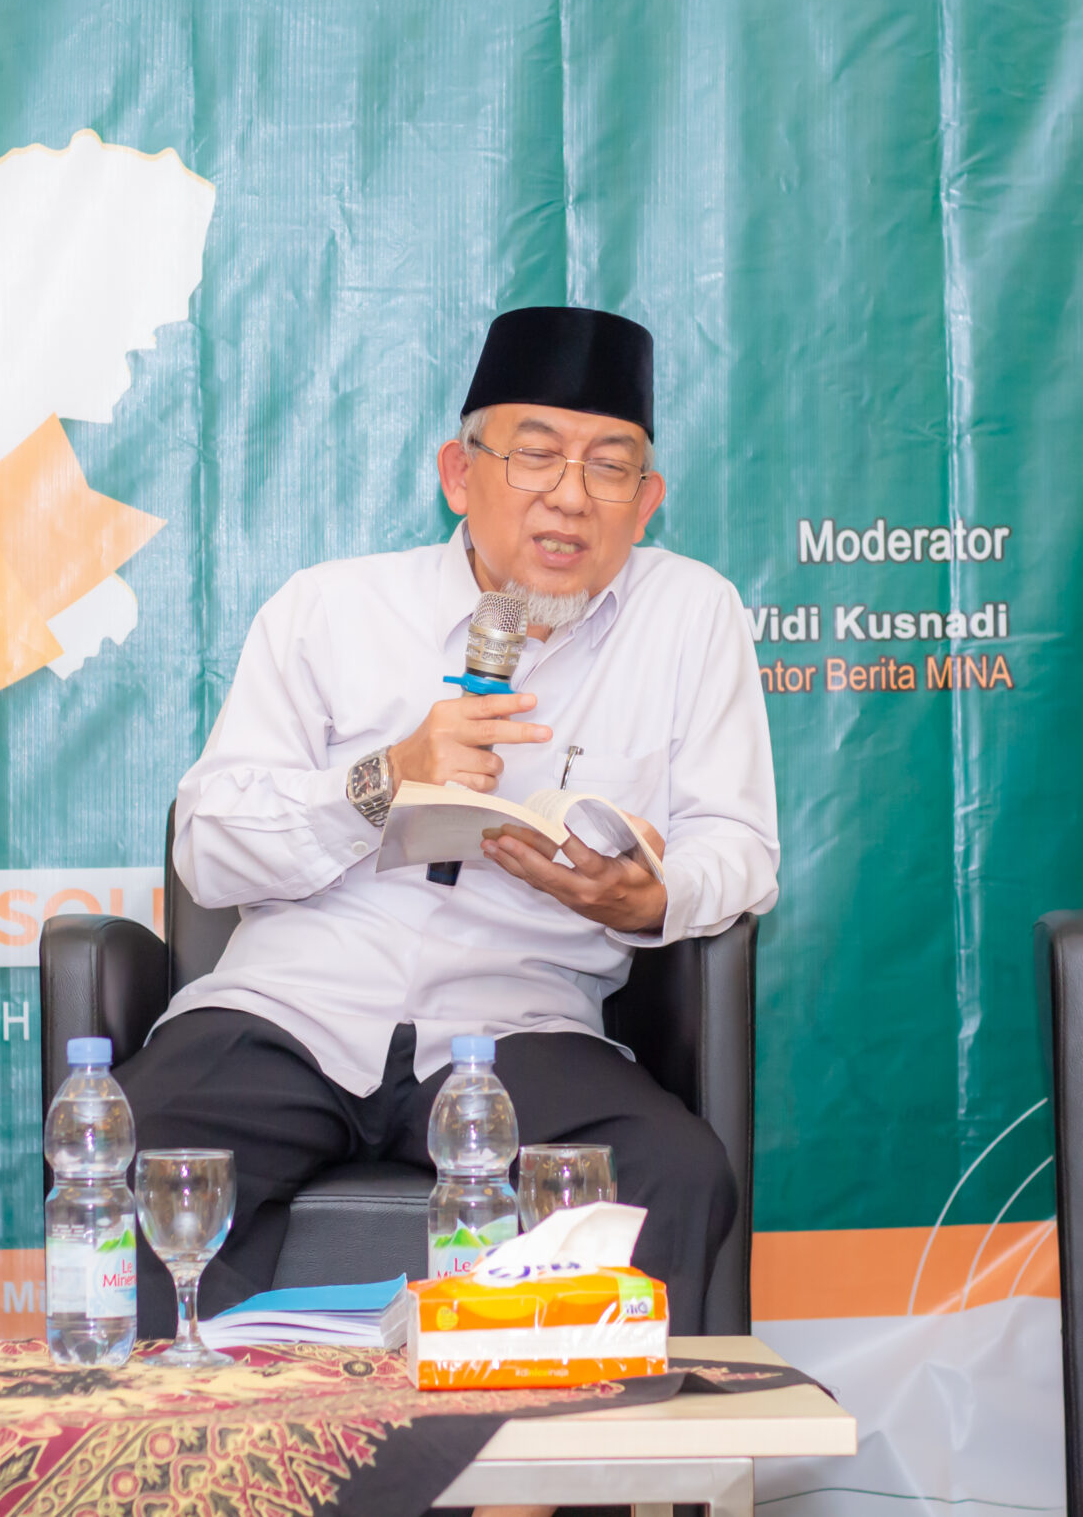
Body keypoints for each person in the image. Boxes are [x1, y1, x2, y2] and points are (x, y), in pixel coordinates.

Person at [116, 305, 778, 1334]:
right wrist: (385, 778)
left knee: (671, 1172)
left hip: (522, 1020)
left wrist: (653, 896)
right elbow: (210, 845)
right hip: (291, 1008)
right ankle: (219, 1478)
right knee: (135, 1147)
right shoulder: (329, 610)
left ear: (644, 502)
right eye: (535, 458)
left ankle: (551, 1489)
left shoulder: (692, 616)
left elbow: (740, 846)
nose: (568, 499)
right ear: (458, 476)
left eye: (608, 468)